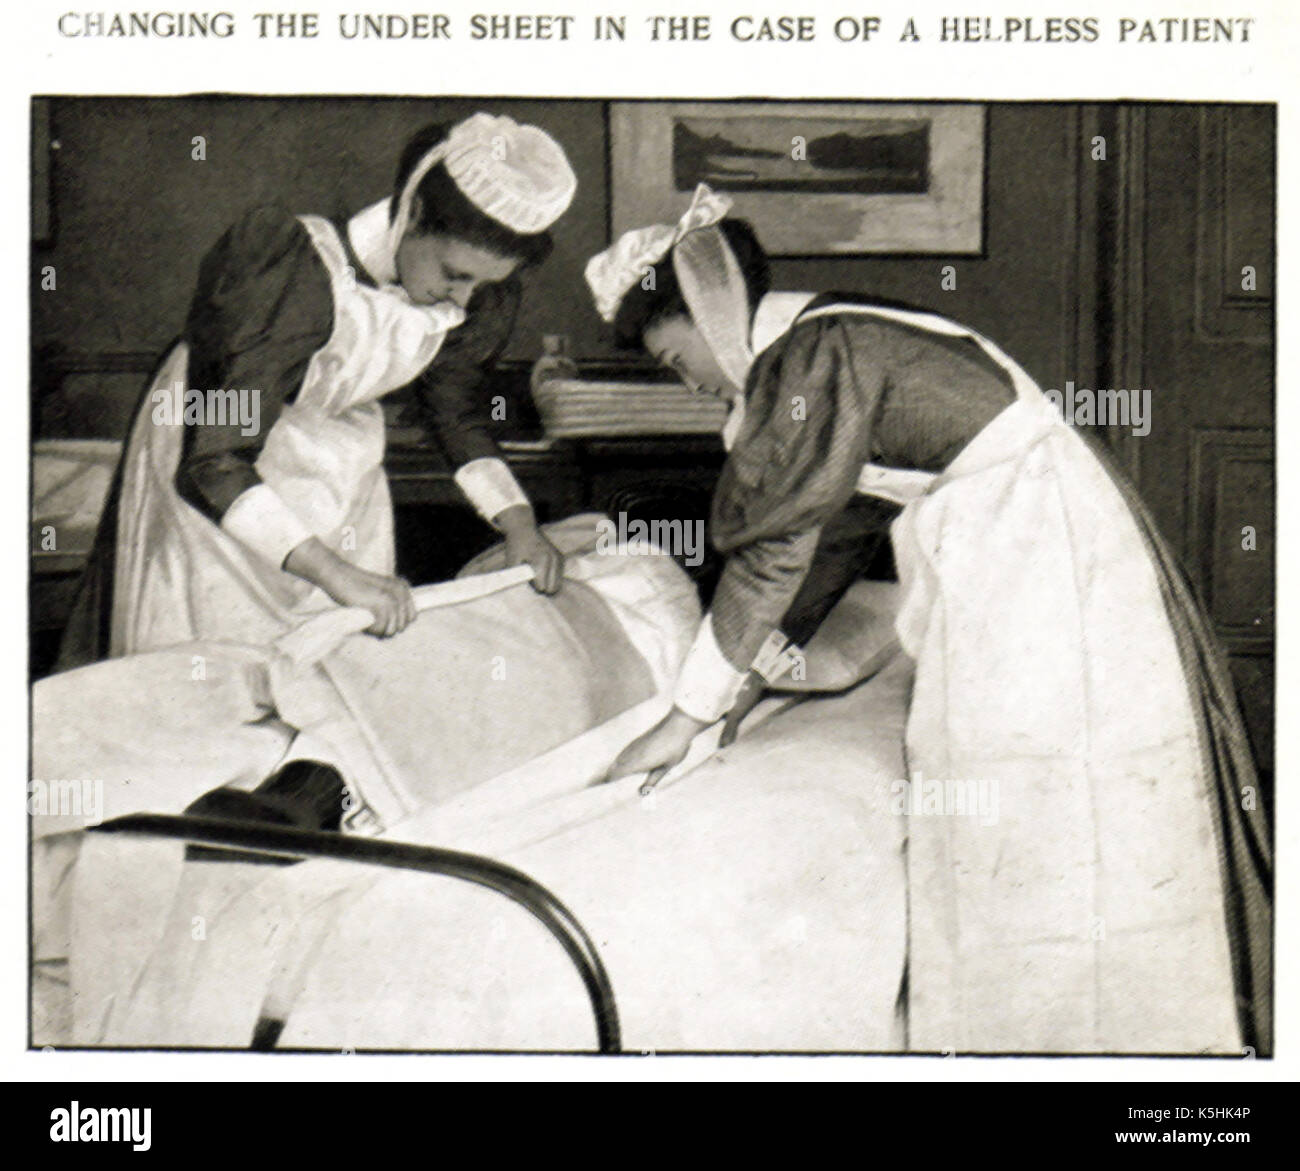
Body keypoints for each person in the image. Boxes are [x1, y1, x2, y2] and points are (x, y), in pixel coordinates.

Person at [584, 184, 1272, 1054]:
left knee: (1035, 783)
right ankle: (1032, 1035)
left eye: (678, 359)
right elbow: (838, 536)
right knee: (1022, 785)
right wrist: (751, 677)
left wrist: (685, 717)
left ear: (708, 308)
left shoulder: (814, 354)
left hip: (1034, 543)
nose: (689, 384)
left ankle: (1065, 1045)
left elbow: (775, 549)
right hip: (1022, 531)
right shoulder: (824, 340)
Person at [58, 112, 576, 667]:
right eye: (455, 274)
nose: (464, 299)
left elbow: (454, 414)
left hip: (338, 466)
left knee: (335, 661)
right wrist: (334, 572)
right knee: (217, 664)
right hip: (220, 456)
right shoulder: (291, 265)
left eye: (482, 283)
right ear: (413, 212)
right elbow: (216, 459)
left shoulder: (472, 292)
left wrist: (518, 523)